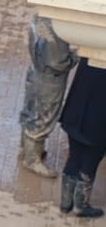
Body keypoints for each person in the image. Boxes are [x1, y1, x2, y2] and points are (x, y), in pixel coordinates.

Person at [19, 15, 77, 177]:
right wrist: (74, 57)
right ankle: (32, 159)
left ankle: (25, 147)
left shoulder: (41, 18)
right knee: (44, 115)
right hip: (51, 78)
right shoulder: (58, 27)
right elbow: (57, 62)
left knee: (30, 110)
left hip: (36, 70)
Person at [59, 58, 106, 218]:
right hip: (99, 117)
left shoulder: (92, 37)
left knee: (75, 152)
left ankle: (65, 202)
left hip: (78, 108)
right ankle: (81, 205)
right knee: (92, 157)